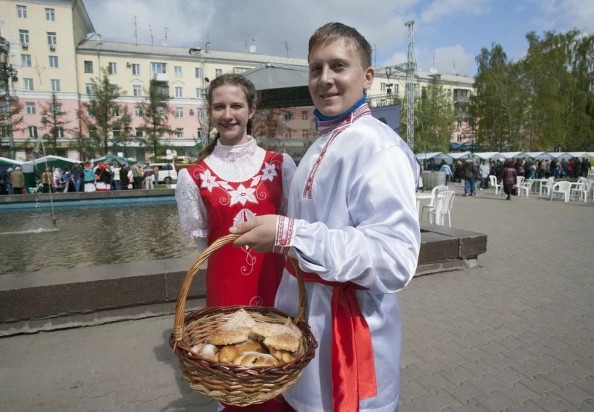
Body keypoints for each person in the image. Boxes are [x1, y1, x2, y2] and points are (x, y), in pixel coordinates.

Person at [227, 23, 420, 412]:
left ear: (367, 77)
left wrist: (290, 234)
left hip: (351, 339)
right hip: (306, 332)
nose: (325, 79)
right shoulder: (321, 142)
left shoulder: (378, 147)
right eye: (316, 68)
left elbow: (395, 260)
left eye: (338, 66)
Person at [175, 73, 297, 412]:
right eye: (219, 107)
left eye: (236, 105)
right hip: (226, 291)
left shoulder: (279, 165)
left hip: (274, 285)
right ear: (209, 113)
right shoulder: (193, 176)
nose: (227, 114)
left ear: (252, 110)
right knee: (233, 375)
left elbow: (288, 228)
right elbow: (204, 241)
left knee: (279, 366)